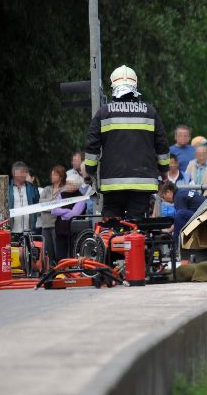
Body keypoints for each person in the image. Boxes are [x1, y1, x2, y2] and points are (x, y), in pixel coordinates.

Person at [84, 65, 169, 219]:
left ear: (113, 86)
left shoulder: (104, 112)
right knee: (136, 227)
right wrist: (164, 171)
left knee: (111, 225)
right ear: (135, 86)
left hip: (112, 183)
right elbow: (162, 145)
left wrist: (90, 173)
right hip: (142, 182)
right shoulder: (149, 112)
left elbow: (92, 146)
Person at [52, 171, 87, 259]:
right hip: (60, 230)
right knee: (60, 255)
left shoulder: (81, 197)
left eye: (71, 184)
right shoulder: (61, 194)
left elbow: (74, 214)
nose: (68, 186)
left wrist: (62, 213)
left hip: (74, 231)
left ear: (77, 185)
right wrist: (67, 211)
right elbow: (54, 210)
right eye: (67, 183)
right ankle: (61, 271)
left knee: (73, 255)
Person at [39, 165, 65, 267]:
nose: (52, 176)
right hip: (45, 225)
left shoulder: (64, 190)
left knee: (58, 251)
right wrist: (52, 205)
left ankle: (60, 269)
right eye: (52, 174)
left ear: (60, 176)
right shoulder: (46, 189)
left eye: (55, 174)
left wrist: (48, 205)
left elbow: (60, 205)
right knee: (47, 251)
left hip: (56, 225)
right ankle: (49, 269)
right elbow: (40, 203)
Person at [8, 161, 41, 233]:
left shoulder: (32, 188)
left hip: (29, 230)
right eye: (22, 172)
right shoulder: (6, 188)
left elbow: (37, 203)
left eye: (25, 172)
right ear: (14, 173)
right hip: (11, 231)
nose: (25, 174)